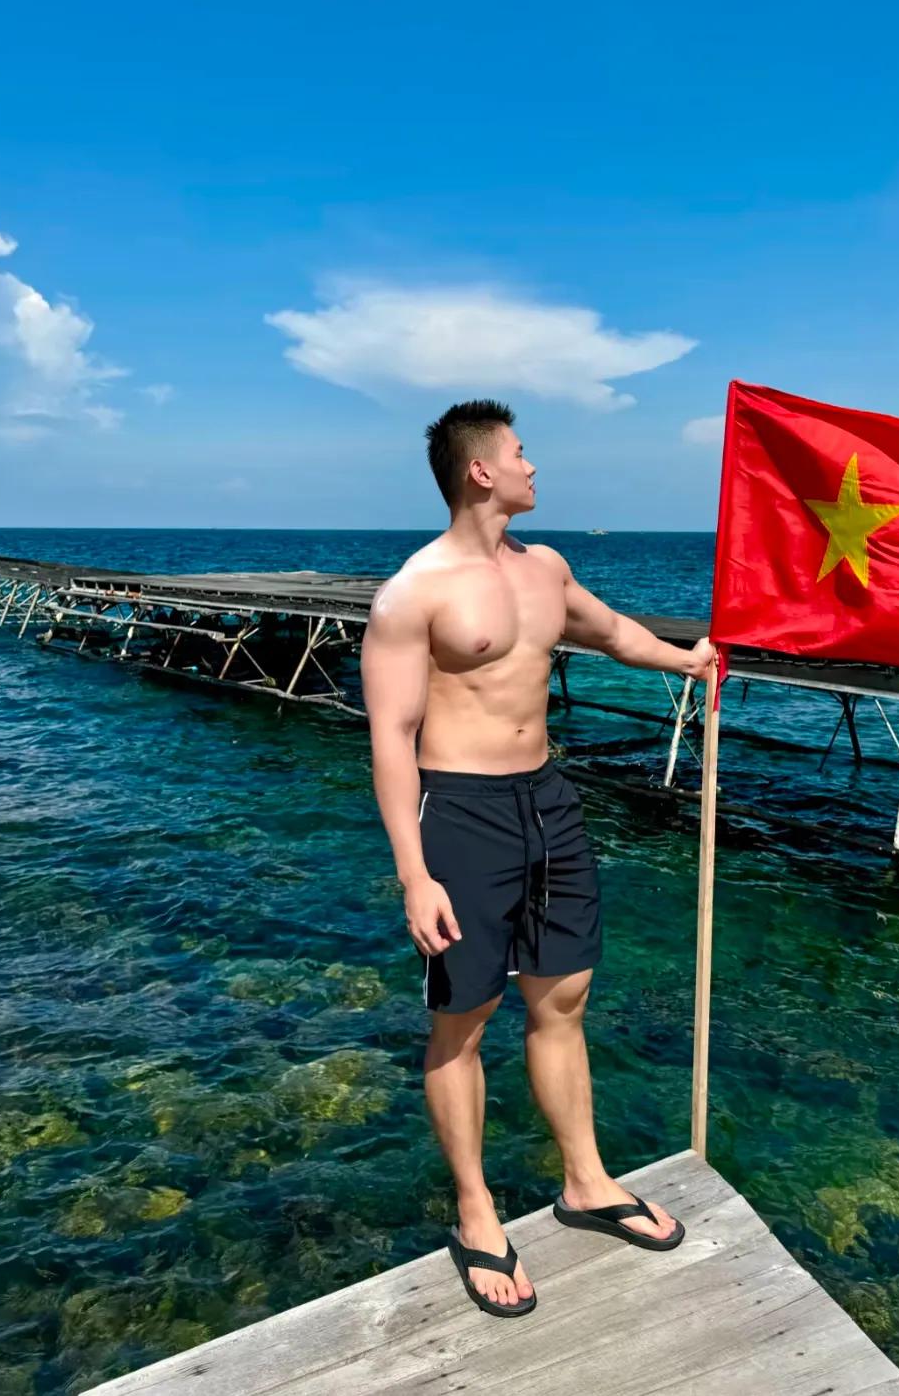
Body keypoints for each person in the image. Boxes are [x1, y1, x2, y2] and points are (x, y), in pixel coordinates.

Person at [360, 398, 715, 1317]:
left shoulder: (546, 567)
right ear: (481, 470)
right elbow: (392, 739)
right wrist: (414, 872)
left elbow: (611, 633)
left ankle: (586, 1182)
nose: (533, 466)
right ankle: (477, 1213)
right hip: (461, 812)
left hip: (548, 801)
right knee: (464, 1019)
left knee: (562, 997)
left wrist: (688, 660)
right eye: (522, 452)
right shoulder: (414, 591)